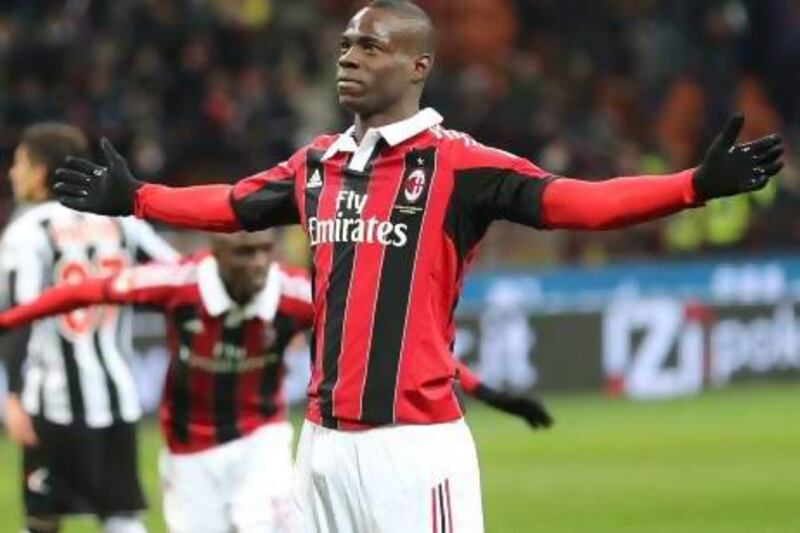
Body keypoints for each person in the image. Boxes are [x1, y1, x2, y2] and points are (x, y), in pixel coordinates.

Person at [52, 1, 784, 530]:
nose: (348, 56)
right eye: (345, 44)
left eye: (370, 47)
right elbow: (234, 206)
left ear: (418, 65)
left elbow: (579, 203)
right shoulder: (321, 163)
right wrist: (140, 197)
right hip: (322, 445)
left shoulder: (461, 165)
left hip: (413, 447)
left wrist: (691, 186)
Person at [0, 229, 553, 532]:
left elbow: (403, 345)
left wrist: (491, 394)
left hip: (260, 439)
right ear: (214, 253)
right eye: (243, 253)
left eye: (264, 251)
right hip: (188, 451)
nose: (258, 264)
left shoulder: (296, 293)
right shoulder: (177, 284)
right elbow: (83, 292)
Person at [0, 122, 178, 533]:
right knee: (120, 516)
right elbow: (175, 277)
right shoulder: (120, 221)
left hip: (52, 400)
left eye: (19, 164)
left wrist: (11, 395)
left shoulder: (29, 231)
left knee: (43, 517)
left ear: (40, 172)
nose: (12, 174)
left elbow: (22, 315)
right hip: (118, 395)